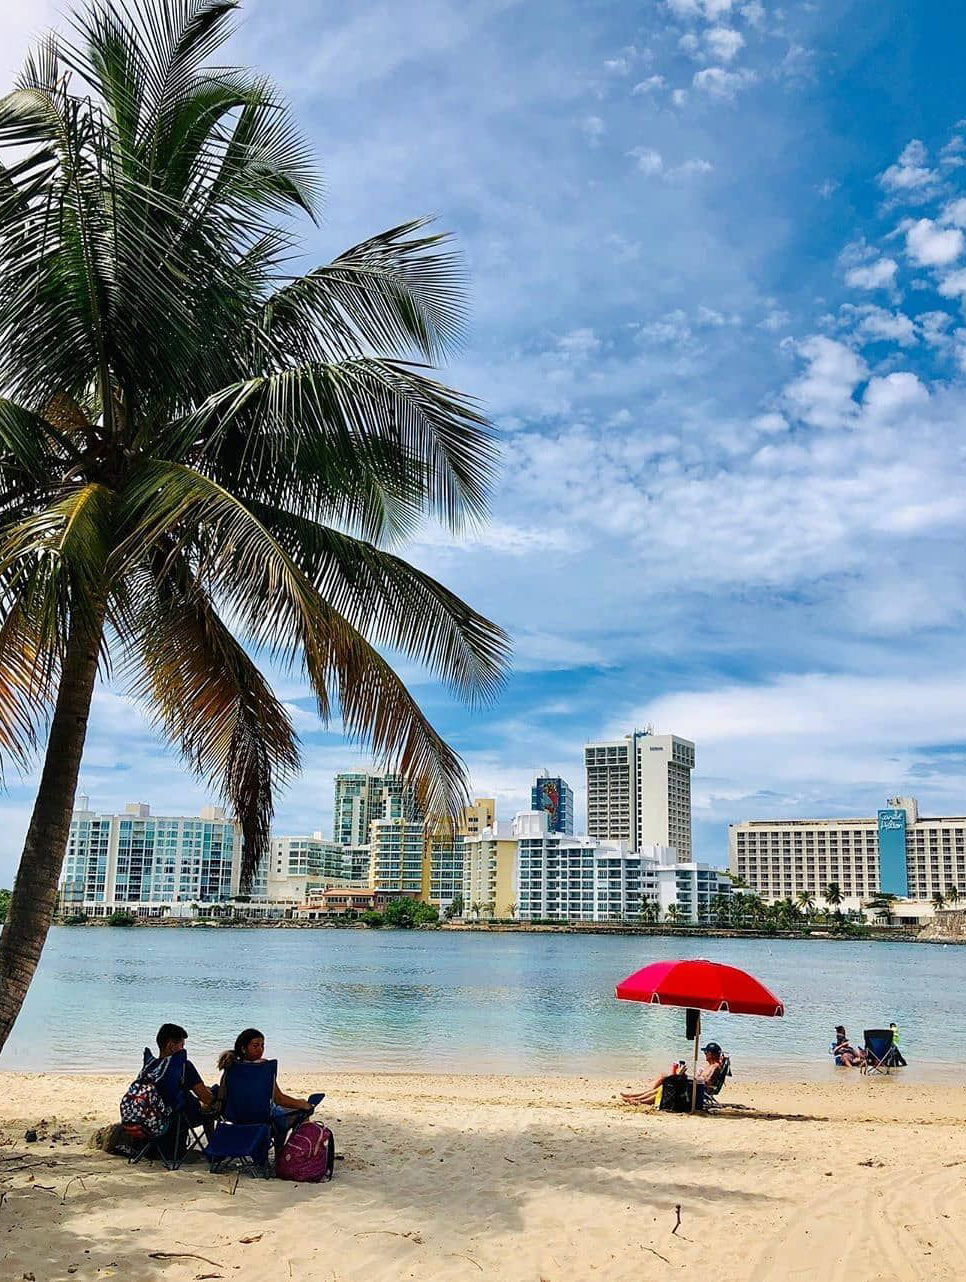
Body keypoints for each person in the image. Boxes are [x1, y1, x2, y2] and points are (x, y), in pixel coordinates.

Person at [218, 1028, 323, 1148]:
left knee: (280, 1112)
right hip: (261, 1121)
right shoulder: (264, 1068)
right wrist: (303, 1104)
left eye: (262, 1045)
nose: (260, 1049)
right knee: (296, 1114)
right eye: (255, 1046)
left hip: (235, 1120)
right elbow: (279, 1099)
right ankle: (282, 1156)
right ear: (243, 1048)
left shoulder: (230, 1066)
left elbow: (222, 1096)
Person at [621, 1042, 726, 1106]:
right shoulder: (711, 1066)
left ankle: (640, 1100)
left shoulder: (715, 1067)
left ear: (710, 1054)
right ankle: (636, 1097)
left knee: (666, 1086)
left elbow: (706, 1083)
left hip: (696, 1091)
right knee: (665, 1079)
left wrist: (690, 1077)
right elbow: (703, 1080)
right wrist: (691, 1075)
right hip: (694, 1087)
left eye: (705, 1052)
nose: (705, 1055)